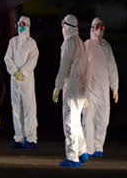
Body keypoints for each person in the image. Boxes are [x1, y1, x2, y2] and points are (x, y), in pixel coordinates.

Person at [53, 14, 89, 167]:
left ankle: (72, 157)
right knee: (76, 121)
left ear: (65, 26)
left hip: (72, 85)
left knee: (70, 121)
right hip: (80, 85)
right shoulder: (80, 42)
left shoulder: (69, 43)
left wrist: (57, 86)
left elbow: (64, 67)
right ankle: (82, 151)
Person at [83, 17, 119, 158]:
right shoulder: (86, 45)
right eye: (96, 27)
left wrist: (114, 87)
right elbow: (81, 66)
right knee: (88, 118)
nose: (98, 30)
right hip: (89, 88)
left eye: (100, 27)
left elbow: (112, 67)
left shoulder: (106, 46)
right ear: (92, 28)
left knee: (102, 118)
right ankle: (88, 147)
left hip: (103, 89)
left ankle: (98, 147)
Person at [3, 15, 39, 149]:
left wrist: (22, 72)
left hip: (26, 80)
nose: (21, 27)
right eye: (19, 24)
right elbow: (7, 58)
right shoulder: (13, 42)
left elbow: (33, 60)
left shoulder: (31, 43)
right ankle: (19, 137)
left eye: (24, 24)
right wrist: (14, 72)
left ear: (28, 26)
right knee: (16, 108)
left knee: (29, 107)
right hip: (15, 80)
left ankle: (31, 138)